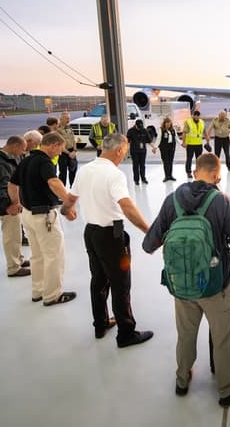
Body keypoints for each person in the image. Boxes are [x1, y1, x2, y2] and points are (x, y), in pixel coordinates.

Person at [142, 154, 230, 407]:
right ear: (217, 176)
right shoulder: (223, 202)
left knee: (185, 336)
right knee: (222, 339)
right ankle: (226, 390)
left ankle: (182, 380)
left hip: (181, 286)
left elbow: (149, 243)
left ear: (195, 172)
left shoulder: (171, 200)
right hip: (215, 286)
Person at [65, 134, 154, 347]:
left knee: (98, 280)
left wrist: (65, 210)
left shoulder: (86, 169)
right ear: (119, 150)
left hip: (91, 233)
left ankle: (101, 324)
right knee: (120, 284)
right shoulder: (114, 175)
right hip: (112, 237)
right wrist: (150, 232)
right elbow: (127, 206)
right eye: (125, 151)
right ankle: (126, 333)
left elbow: (71, 198)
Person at [8, 132, 79, 306]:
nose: (60, 153)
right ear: (53, 145)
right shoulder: (44, 161)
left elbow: (11, 184)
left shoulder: (25, 161)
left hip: (27, 215)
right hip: (43, 216)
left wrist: (16, 202)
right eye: (60, 149)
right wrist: (69, 204)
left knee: (37, 256)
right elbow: (54, 182)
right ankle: (52, 295)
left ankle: (38, 291)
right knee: (54, 255)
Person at [0, 135, 30, 277]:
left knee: (16, 235)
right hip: (7, 208)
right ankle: (13, 268)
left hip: (12, 205)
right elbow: (0, 188)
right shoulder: (1, 164)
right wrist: (8, 206)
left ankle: (19, 259)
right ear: (14, 146)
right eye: (22, 150)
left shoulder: (8, 159)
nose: (22, 153)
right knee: (11, 237)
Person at [126, 119, 152, 185]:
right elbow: (127, 142)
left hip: (143, 151)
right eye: (138, 127)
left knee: (142, 165)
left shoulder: (144, 130)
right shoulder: (130, 131)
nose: (140, 128)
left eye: (141, 127)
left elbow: (149, 140)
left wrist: (153, 147)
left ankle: (143, 178)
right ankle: (136, 180)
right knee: (135, 165)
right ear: (135, 125)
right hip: (134, 151)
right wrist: (126, 150)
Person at [182, 110, 207, 179]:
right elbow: (184, 132)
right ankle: (189, 172)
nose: (196, 117)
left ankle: (198, 171)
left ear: (199, 116)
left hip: (199, 144)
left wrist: (207, 139)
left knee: (199, 159)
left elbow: (204, 131)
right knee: (189, 159)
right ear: (193, 115)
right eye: (195, 115)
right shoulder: (188, 122)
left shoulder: (202, 122)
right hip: (190, 144)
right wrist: (183, 142)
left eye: (197, 115)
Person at [56, 112, 78, 187]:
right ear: (61, 119)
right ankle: (62, 189)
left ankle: (73, 188)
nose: (68, 120)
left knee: (73, 170)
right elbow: (59, 144)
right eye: (66, 118)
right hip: (63, 152)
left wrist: (75, 151)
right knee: (63, 172)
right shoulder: (58, 130)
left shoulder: (69, 127)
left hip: (72, 151)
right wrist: (69, 153)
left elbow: (73, 139)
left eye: (69, 118)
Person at [156, 116, 178, 182]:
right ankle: (166, 176)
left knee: (170, 162)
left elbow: (176, 138)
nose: (168, 124)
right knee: (166, 162)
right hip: (164, 147)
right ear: (164, 123)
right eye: (167, 123)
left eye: (169, 123)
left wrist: (182, 144)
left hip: (172, 147)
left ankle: (170, 175)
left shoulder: (173, 130)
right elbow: (158, 139)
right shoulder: (161, 130)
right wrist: (155, 147)